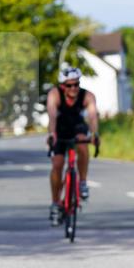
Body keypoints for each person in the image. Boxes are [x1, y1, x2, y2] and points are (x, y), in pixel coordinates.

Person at [46, 65, 100, 226]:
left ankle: (82, 182)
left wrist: (95, 134)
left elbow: (92, 116)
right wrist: (51, 135)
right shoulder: (54, 95)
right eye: (69, 85)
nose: (74, 88)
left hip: (77, 127)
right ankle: (56, 203)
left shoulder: (87, 96)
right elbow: (52, 116)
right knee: (57, 164)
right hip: (60, 129)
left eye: (76, 84)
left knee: (83, 145)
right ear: (63, 86)